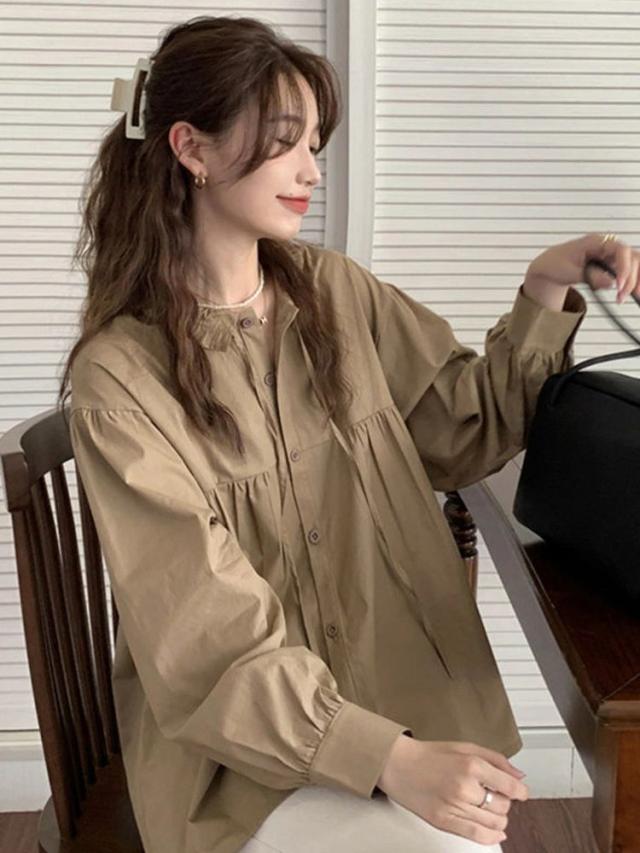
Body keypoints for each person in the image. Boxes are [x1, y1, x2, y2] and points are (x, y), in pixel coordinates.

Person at [58, 14, 640, 853]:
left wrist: (544, 287)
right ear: (191, 147)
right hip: (242, 767)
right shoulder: (120, 380)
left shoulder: (335, 293)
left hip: (408, 707)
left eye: (315, 143)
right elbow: (206, 638)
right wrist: (388, 758)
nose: (310, 169)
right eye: (285, 140)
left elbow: (462, 432)